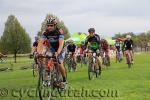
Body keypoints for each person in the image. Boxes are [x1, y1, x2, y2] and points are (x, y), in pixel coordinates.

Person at [37, 18, 67, 90]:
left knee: (59, 64)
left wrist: (58, 52)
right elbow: (40, 43)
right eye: (48, 25)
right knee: (45, 58)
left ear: (55, 25)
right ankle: (48, 75)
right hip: (52, 49)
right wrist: (38, 53)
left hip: (61, 49)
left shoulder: (59, 31)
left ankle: (64, 80)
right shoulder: (45, 32)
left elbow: (61, 44)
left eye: (51, 25)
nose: (49, 27)